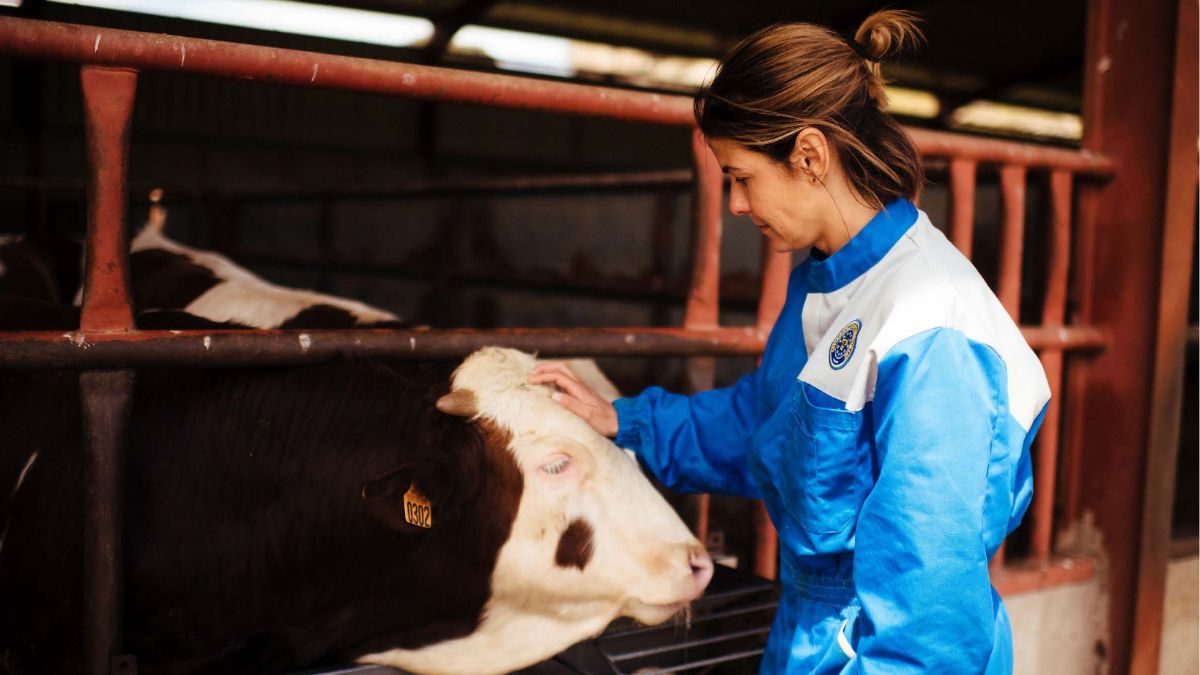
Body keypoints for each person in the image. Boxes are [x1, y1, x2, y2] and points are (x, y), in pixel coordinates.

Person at [530, 10, 1049, 675]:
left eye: (741, 176)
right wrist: (625, 420)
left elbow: (930, 611)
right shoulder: (828, 278)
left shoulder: (930, 326)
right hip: (808, 638)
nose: (737, 205)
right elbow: (767, 420)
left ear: (808, 155)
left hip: (874, 651)